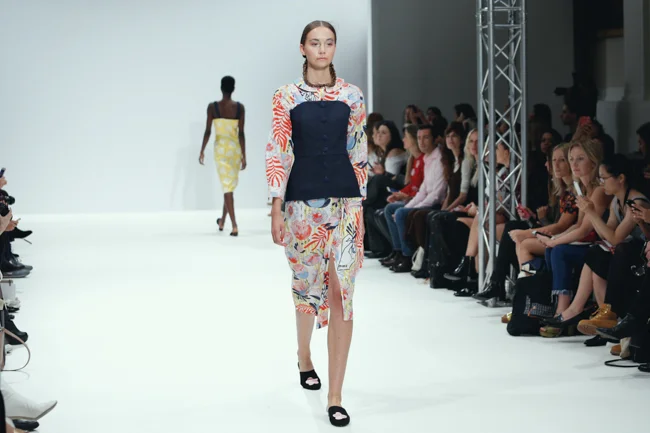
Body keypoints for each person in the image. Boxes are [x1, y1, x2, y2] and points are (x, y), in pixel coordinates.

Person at [265, 20, 366, 428]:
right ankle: (304, 356)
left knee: (342, 295)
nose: (322, 49)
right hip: (302, 207)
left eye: (328, 43)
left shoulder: (352, 95)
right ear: (302, 48)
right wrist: (276, 206)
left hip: (346, 205)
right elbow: (278, 150)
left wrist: (361, 210)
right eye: (315, 43)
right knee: (306, 289)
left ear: (334, 48)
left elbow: (359, 153)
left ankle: (335, 396)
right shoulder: (286, 96)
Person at [199, 75, 246, 236]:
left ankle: (234, 225)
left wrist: (202, 150)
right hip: (235, 151)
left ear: (221, 88)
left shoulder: (213, 107)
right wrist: (244, 155)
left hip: (221, 151)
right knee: (229, 187)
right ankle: (223, 221)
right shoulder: (239, 108)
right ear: (233, 88)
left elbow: (208, 131)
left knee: (228, 188)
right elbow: (241, 134)